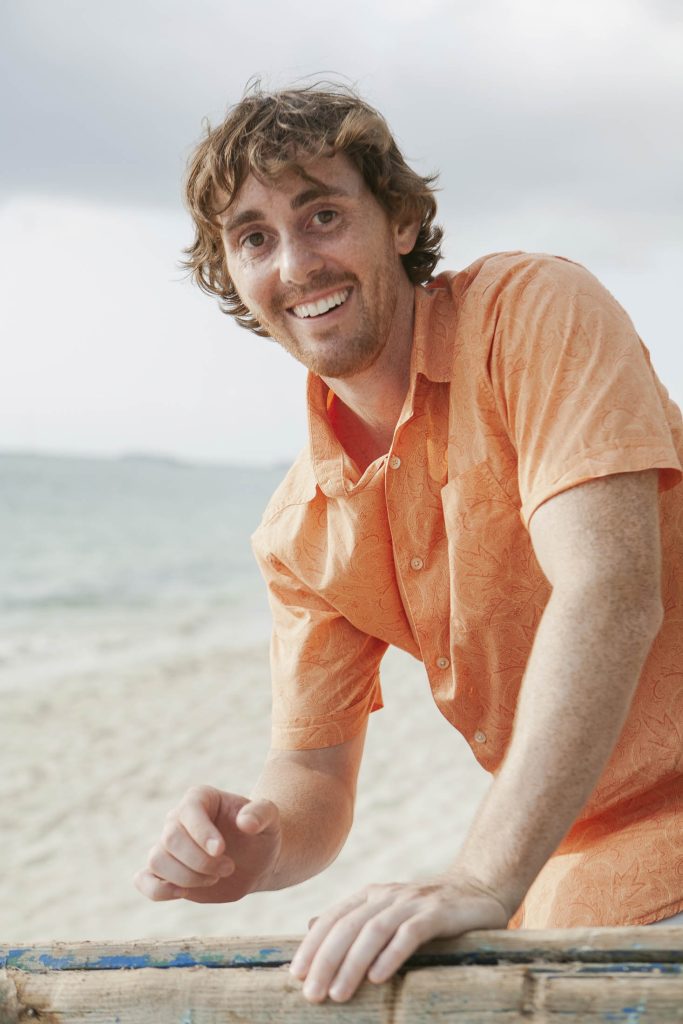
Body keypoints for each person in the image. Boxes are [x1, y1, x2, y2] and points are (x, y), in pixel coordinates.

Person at [134, 82, 683, 1004]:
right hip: (575, 858)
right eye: (255, 237)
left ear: (397, 220)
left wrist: (478, 878)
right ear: (232, 274)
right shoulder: (298, 528)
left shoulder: (530, 310)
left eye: (322, 214)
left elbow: (609, 589)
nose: (298, 262)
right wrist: (260, 843)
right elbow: (314, 776)